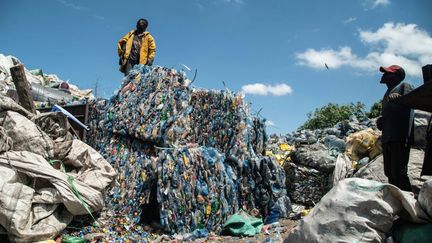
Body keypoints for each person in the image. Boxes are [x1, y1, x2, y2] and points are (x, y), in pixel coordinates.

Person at [377, 65, 414, 191]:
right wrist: (381, 121)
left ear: (397, 76)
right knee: (390, 174)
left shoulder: (404, 86)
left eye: (388, 73)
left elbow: (411, 103)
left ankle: (409, 203)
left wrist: (399, 98)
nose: (384, 75)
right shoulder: (386, 95)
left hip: (399, 137)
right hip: (387, 138)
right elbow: (390, 115)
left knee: (399, 173)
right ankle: (397, 204)